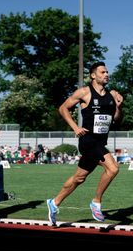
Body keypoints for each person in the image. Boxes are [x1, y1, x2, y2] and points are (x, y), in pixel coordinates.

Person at [46, 62, 123, 225]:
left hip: (100, 142)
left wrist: (119, 106)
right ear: (93, 75)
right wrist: (75, 127)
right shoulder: (84, 92)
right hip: (88, 140)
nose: (107, 74)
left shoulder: (113, 94)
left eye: (108, 72)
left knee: (79, 178)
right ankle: (96, 202)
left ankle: (54, 202)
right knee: (113, 168)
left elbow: (117, 119)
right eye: (103, 72)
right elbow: (63, 108)